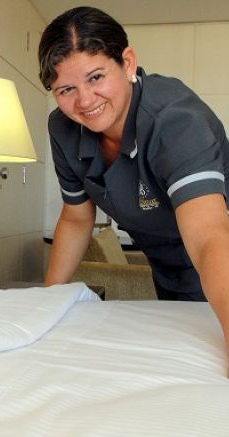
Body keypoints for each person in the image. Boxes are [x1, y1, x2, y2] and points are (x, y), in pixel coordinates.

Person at [38, 6, 229, 369]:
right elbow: (77, 218)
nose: (85, 101)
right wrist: (47, 303)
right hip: (166, 269)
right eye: (66, 89)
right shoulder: (63, 128)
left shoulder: (176, 121)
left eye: (96, 77)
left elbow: (209, 237)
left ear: (127, 63)